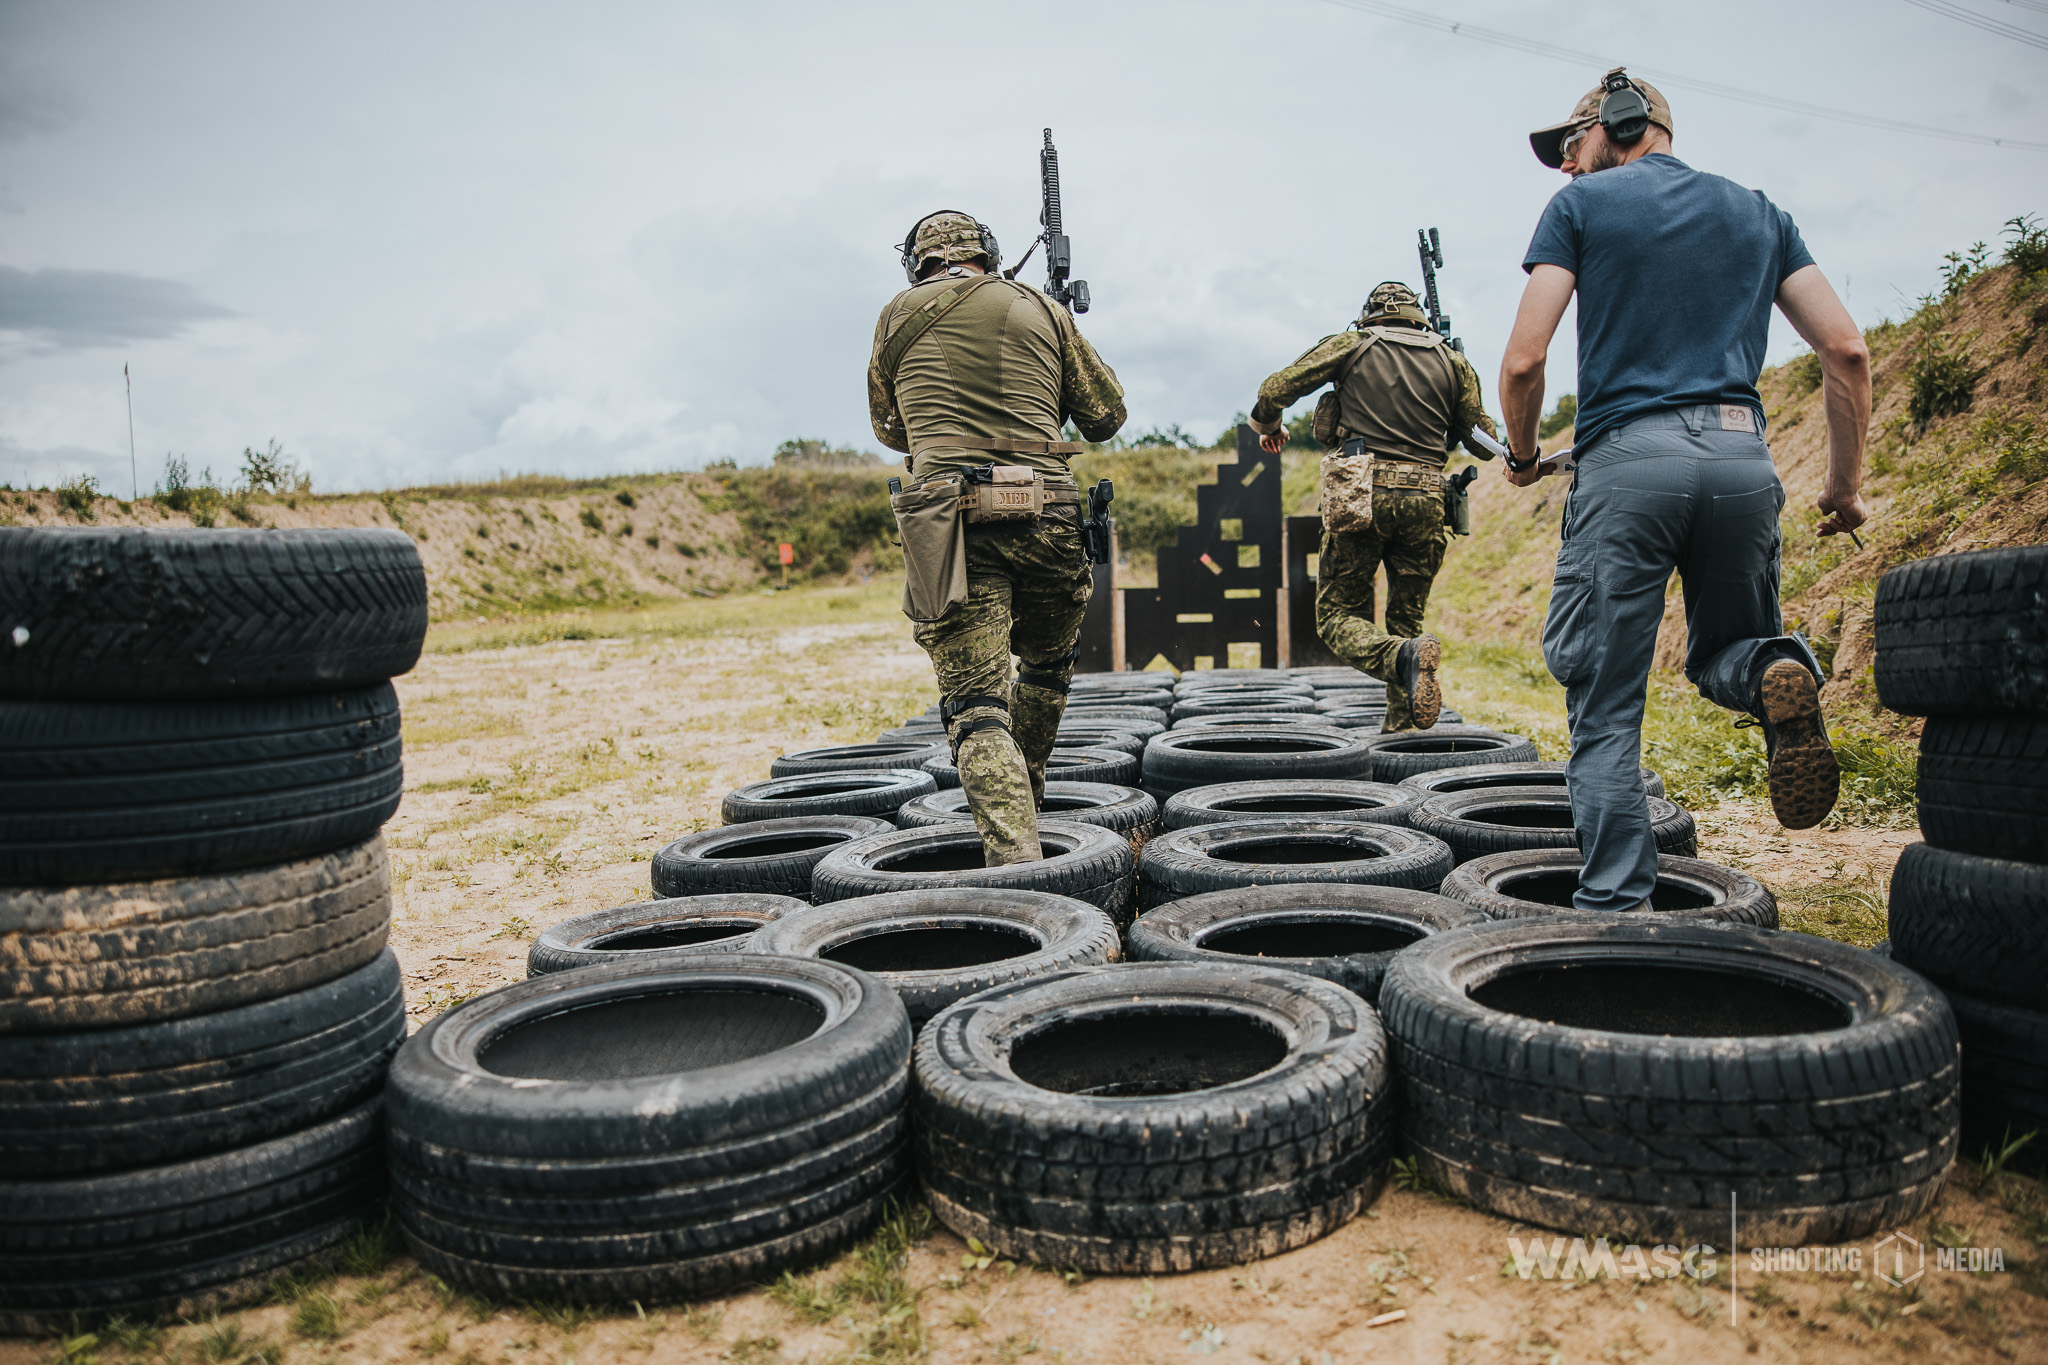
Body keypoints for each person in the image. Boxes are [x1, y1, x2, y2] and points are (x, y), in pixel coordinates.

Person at [1499, 68, 1872, 912]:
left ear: (1619, 123)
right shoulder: (1760, 212)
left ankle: (1616, 909)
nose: (1564, 165)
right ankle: (1779, 666)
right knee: (1725, 652)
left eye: (1571, 142)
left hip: (1629, 468)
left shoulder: (1580, 210)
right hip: (1744, 462)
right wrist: (1845, 489)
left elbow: (1524, 359)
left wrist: (1522, 453)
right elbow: (1846, 350)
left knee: (1604, 705)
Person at [868, 210, 1126, 864]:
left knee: (978, 709)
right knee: (1045, 667)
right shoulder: (1038, 307)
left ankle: (1018, 863)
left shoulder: (896, 316)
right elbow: (1105, 416)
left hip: (950, 525)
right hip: (1049, 513)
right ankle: (1026, 797)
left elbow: (891, 429)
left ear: (917, 262)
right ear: (988, 253)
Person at [1249, 282, 1498, 731]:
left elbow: (1275, 388)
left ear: (1371, 314)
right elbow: (1484, 443)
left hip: (1360, 492)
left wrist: (1269, 425)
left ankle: (1399, 658)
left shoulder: (1352, 344)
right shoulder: (1454, 361)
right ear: (1417, 317)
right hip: (1428, 498)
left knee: (1336, 616)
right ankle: (1402, 727)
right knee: (1406, 618)